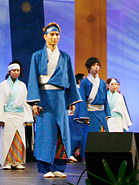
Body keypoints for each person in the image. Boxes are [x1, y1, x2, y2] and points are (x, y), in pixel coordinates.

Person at [27, 22, 82, 178]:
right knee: (46, 133)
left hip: (60, 96)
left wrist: (71, 101)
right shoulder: (37, 56)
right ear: (45, 36)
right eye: (51, 34)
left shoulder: (65, 56)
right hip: (44, 97)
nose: (55, 37)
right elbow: (33, 79)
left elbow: (70, 78)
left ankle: (58, 166)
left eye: (57, 34)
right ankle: (45, 168)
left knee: (61, 132)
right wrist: (34, 102)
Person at [75, 57, 111, 161]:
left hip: (101, 112)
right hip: (90, 113)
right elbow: (82, 99)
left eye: (98, 65)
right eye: (94, 65)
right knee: (90, 136)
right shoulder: (85, 82)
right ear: (88, 67)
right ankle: (89, 158)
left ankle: (103, 157)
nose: (96, 68)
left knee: (104, 135)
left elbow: (105, 99)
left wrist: (107, 114)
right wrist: (84, 115)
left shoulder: (103, 82)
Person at [0, 61, 33, 170]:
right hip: (8, 114)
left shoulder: (22, 85)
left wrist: (27, 117)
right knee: (8, 139)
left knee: (19, 138)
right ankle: (7, 161)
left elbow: (25, 102)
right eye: (14, 70)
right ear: (9, 72)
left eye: (18, 70)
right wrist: (1, 117)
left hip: (19, 115)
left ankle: (17, 161)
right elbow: (0, 102)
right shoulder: (3, 85)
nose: (16, 72)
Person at [68, 73, 84, 163]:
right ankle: (69, 154)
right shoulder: (76, 89)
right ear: (79, 81)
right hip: (73, 116)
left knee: (78, 136)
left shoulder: (78, 89)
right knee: (76, 136)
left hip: (77, 116)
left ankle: (72, 154)